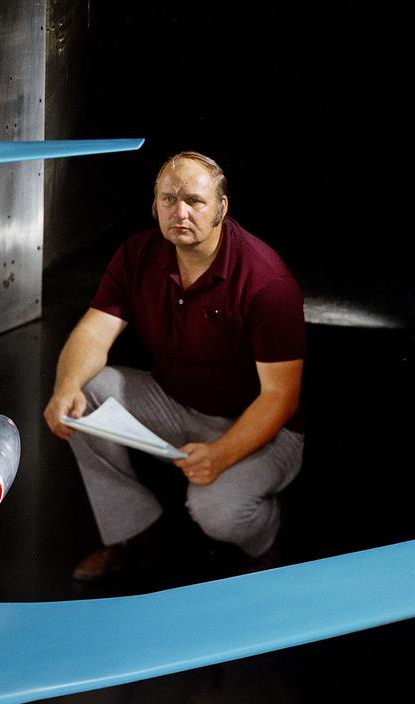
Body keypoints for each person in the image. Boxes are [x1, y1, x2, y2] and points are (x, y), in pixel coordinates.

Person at [43, 151, 305, 583]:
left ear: (222, 207)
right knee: (85, 392)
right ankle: (132, 533)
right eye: (168, 199)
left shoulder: (266, 280)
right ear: (155, 205)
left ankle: (268, 542)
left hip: (264, 426)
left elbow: (281, 396)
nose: (179, 212)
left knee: (215, 511)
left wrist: (221, 455)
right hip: (177, 403)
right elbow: (93, 333)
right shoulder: (138, 254)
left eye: (195, 201)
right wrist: (65, 384)